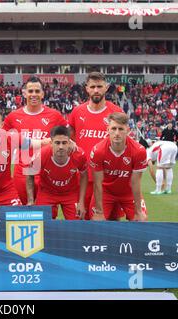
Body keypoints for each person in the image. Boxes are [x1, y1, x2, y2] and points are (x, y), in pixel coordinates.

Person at [3, 76, 68, 205]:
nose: (34, 94)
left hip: (47, 174)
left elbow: (67, 139)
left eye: (37, 91)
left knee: (48, 216)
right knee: (23, 214)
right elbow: (3, 138)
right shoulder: (12, 117)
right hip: (21, 173)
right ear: (24, 93)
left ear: (43, 94)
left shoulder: (55, 116)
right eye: (30, 91)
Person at [67, 71, 123, 218]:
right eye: (92, 87)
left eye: (99, 86)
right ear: (87, 88)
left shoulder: (116, 112)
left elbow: (124, 144)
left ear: (106, 88)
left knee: (111, 219)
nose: (96, 90)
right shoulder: (77, 111)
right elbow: (69, 139)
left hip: (109, 179)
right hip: (83, 178)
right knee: (81, 219)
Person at [89, 112, 147, 222]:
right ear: (108, 130)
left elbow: (135, 182)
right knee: (97, 222)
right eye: (113, 128)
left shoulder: (138, 151)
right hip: (106, 191)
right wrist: (99, 212)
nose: (117, 133)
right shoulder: (98, 151)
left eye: (121, 129)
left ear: (128, 130)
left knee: (141, 221)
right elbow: (97, 183)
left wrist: (138, 211)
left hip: (128, 192)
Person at [26, 125, 88, 220]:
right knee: (42, 223)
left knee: (77, 223)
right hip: (47, 192)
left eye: (64, 143)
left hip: (70, 193)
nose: (61, 147)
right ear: (51, 143)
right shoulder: (41, 154)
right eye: (57, 143)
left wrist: (81, 202)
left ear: (69, 142)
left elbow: (84, 175)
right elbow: (29, 174)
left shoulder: (79, 155)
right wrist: (30, 200)